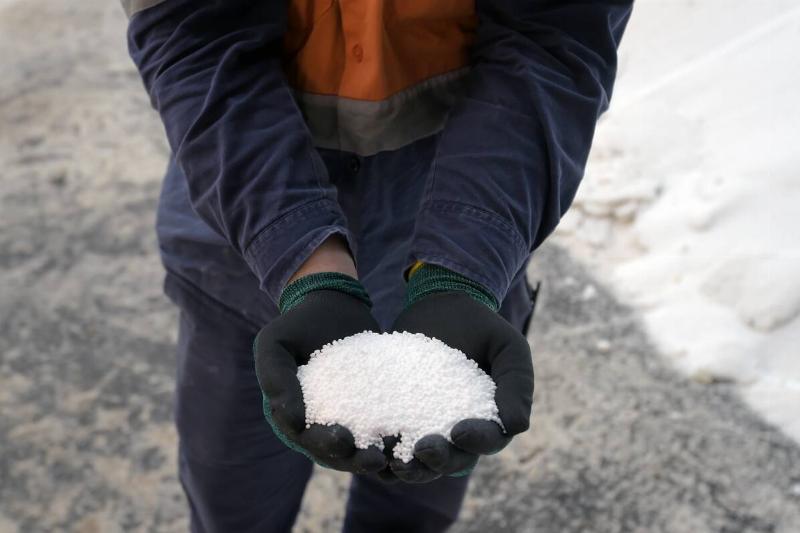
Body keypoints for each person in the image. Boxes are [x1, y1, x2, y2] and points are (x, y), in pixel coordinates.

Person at [123, 0, 632, 531]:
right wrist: (305, 262)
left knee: (417, 496)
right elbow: (197, 34)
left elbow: (554, 37)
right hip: (246, 197)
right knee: (233, 503)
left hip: (466, 181)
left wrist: (461, 271)